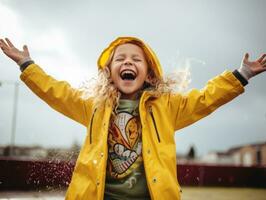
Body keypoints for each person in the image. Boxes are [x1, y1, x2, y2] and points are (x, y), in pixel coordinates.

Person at [0, 37, 265, 200]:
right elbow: (57, 92)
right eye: (121, 59)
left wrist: (240, 75)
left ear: (149, 74)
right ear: (109, 72)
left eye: (136, 59)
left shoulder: (168, 107)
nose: (128, 62)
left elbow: (206, 98)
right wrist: (28, 66)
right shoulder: (94, 106)